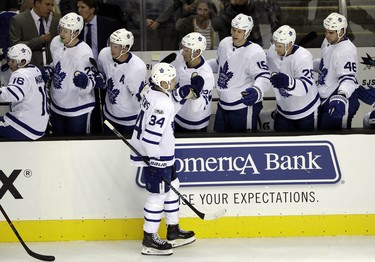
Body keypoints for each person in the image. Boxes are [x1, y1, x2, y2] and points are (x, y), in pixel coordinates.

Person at [130, 62, 201, 255]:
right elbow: (150, 137)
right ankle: (149, 239)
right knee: (157, 196)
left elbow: (169, 110)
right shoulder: (162, 102)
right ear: (162, 82)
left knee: (173, 188)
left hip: (164, 155)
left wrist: (183, 98)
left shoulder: (152, 92)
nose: (175, 82)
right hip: (157, 155)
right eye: (172, 80)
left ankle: (172, 230)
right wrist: (155, 162)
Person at [43, 12, 105, 136]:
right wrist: (50, 69)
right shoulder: (56, 42)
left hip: (78, 109)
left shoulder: (84, 52)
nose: (61, 34)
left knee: (78, 147)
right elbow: (56, 63)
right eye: (61, 29)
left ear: (76, 33)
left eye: (66, 31)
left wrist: (86, 82)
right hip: (57, 105)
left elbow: (91, 79)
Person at [208, 13, 270, 132]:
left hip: (243, 107)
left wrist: (257, 90)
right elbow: (219, 63)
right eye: (233, 30)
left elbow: (263, 76)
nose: (235, 34)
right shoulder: (224, 43)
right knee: (219, 144)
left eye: (239, 31)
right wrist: (200, 66)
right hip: (222, 105)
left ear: (247, 32)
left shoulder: (255, 52)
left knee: (243, 146)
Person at [77, 0, 122, 134]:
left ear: (92, 9)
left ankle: (106, 132)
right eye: (78, 7)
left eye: (83, 7)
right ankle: (93, 132)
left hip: (105, 70)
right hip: (84, 71)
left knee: (106, 102)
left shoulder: (109, 24)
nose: (79, 10)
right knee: (90, 104)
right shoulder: (76, 27)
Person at [266, 25, 320, 131]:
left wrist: (288, 82)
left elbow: (305, 86)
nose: (276, 48)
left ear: (289, 44)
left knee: (307, 146)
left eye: (279, 46)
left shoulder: (303, 57)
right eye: (275, 44)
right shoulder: (272, 52)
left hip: (306, 112)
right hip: (283, 111)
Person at [313, 12, 360, 130]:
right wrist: (306, 64)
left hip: (339, 98)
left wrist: (341, 96)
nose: (327, 35)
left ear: (342, 31)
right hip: (325, 96)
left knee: (336, 137)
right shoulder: (328, 42)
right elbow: (326, 65)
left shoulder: (346, 51)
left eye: (331, 32)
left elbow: (348, 79)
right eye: (326, 31)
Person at [97, 28, 147, 135]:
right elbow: (102, 74)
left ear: (126, 48)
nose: (112, 49)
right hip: (109, 114)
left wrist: (139, 94)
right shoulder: (104, 54)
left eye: (116, 47)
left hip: (129, 120)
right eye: (111, 45)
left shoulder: (138, 67)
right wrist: (100, 78)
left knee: (126, 151)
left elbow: (139, 99)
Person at [0, 43, 49, 140]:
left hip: (24, 126)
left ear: (22, 62)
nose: (9, 63)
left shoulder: (20, 74)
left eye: (12, 61)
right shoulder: (35, 69)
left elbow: (12, 95)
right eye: (9, 59)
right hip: (37, 124)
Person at [174, 32, 214, 132]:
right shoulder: (182, 57)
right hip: (177, 115)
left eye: (186, 50)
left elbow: (199, 108)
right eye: (183, 48)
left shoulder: (206, 76)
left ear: (197, 52)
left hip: (195, 123)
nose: (182, 52)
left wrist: (195, 94)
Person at [9, 0, 59, 69]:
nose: (50, 8)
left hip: (51, 71)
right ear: (37, 3)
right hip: (28, 70)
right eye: (47, 4)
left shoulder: (54, 22)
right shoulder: (18, 20)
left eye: (52, 5)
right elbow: (15, 45)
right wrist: (38, 41)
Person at [212, 0, 281, 47]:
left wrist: (248, 2)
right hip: (237, 33)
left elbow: (276, 13)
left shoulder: (262, 3)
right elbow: (222, 18)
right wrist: (234, 6)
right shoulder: (227, 3)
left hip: (260, 32)